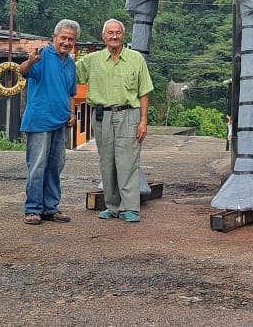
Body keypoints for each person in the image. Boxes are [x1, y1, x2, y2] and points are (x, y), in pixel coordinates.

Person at [76, 18, 153, 222]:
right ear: (103, 36)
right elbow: (70, 74)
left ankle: (130, 208)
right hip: (102, 115)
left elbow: (144, 92)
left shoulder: (136, 59)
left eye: (117, 32)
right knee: (107, 161)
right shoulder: (92, 60)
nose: (114, 36)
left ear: (123, 35)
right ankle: (111, 206)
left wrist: (143, 121)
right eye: (110, 33)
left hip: (129, 114)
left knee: (128, 161)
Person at [17, 19, 79, 226]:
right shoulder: (41, 55)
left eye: (71, 39)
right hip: (40, 120)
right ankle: (33, 209)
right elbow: (23, 71)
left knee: (56, 166)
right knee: (37, 166)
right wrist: (30, 61)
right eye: (63, 37)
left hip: (61, 121)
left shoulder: (70, 62)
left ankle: (50, 208)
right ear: (55, 37)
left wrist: (72, 113)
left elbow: (71, 92)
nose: (67, 42)